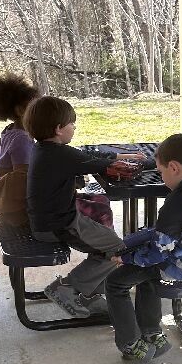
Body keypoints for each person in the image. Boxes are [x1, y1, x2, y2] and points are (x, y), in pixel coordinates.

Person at [105, 133, 182, 363]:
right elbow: (167, 234)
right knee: (146, 271)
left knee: (115, 282)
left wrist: (128, 259)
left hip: (181, 265)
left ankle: (131, 343)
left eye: (161, 172)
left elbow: (158, 252)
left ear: (173, 168)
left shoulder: (177, 202)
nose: (162, 178)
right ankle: (152, 333)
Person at [25, 96, 125, 318]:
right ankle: (67, 288)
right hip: (59, 224)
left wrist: (118, 155)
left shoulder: (41, 148)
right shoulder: (62, 154)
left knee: (106, 239)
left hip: (46, 220)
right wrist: (150, 161)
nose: (74, 127)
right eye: (72, 124)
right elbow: (104, 165)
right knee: (118, 248)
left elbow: (88, 157)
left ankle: (90, 293)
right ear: (59, 129)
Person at [0, 74, 39, 227]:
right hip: (17, 213)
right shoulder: (21, 140)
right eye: (35, 108)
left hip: (6, 208)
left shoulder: (9, 132)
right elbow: (23, 180)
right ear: (20, 111)